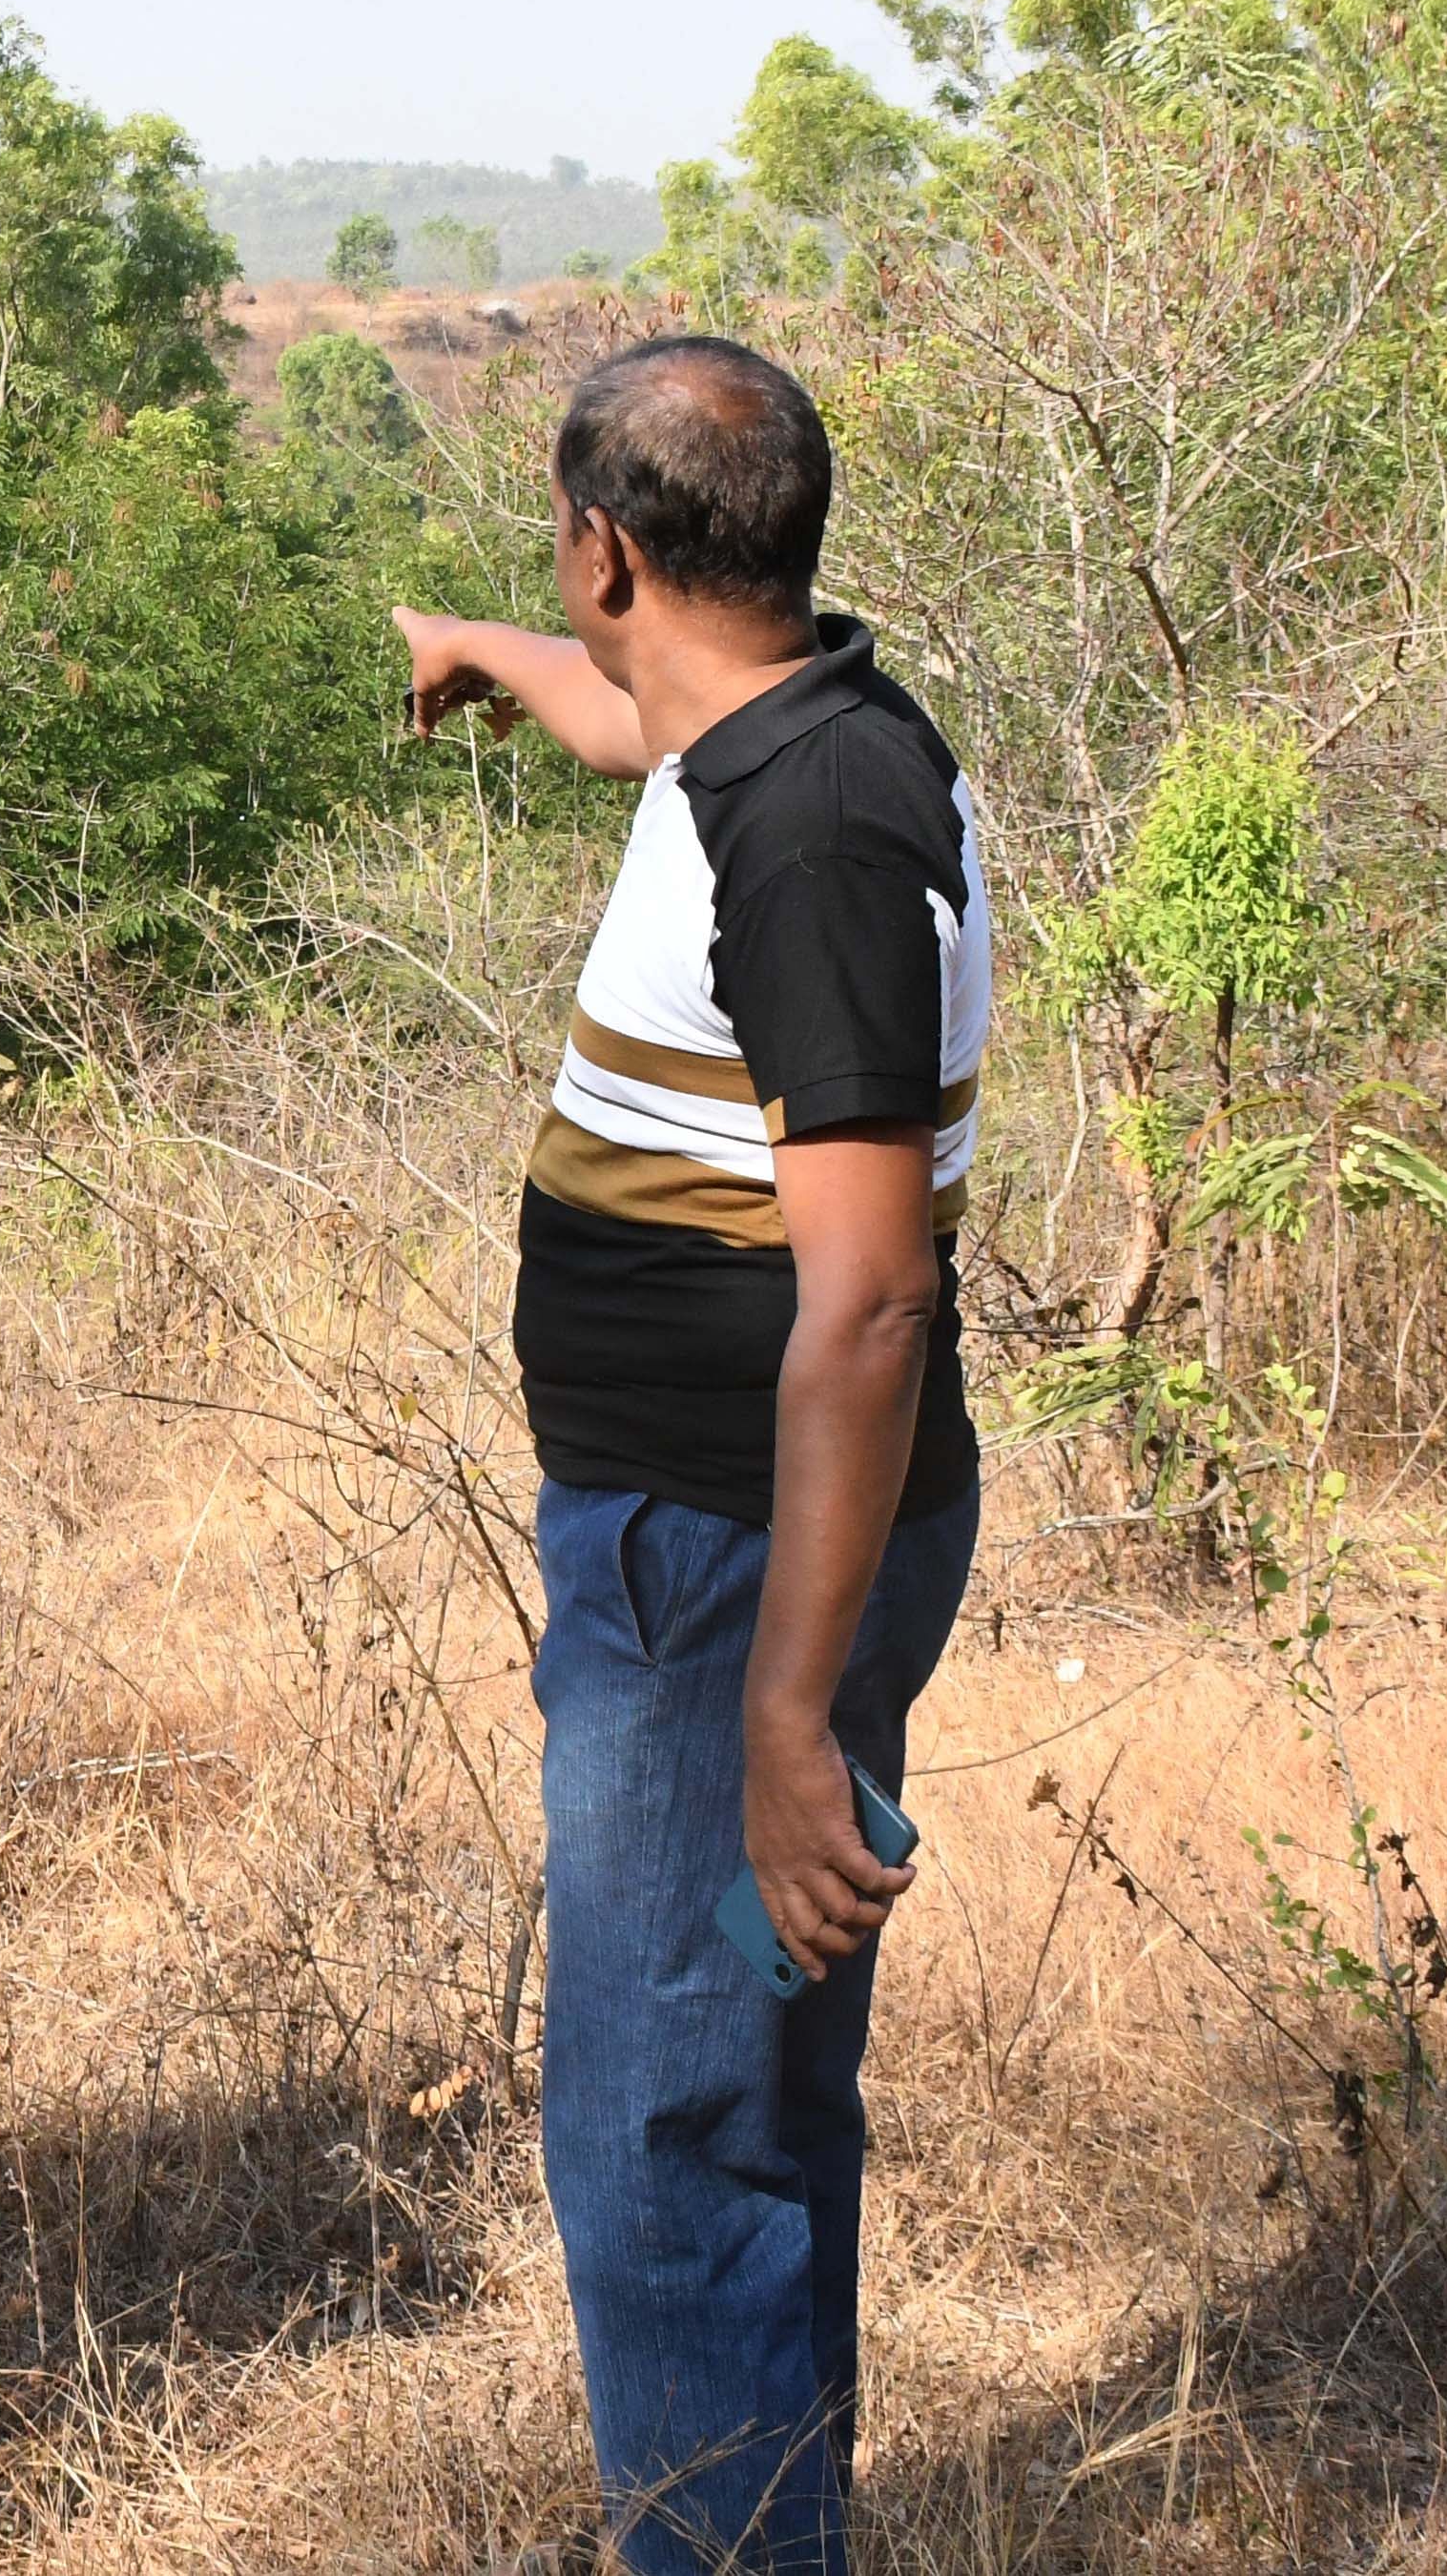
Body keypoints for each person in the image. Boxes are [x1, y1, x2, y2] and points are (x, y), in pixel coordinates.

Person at [394, 336, 991, 2576]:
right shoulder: (790, 720)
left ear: (612, 541)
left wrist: (770, 1723)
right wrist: (489, 656)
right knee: (746, 2097)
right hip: (731, 1548)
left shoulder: (811, 838)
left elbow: (870, 1299)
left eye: (568, 581)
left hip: (731, 1569)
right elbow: (641, 710)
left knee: (666, 2131)